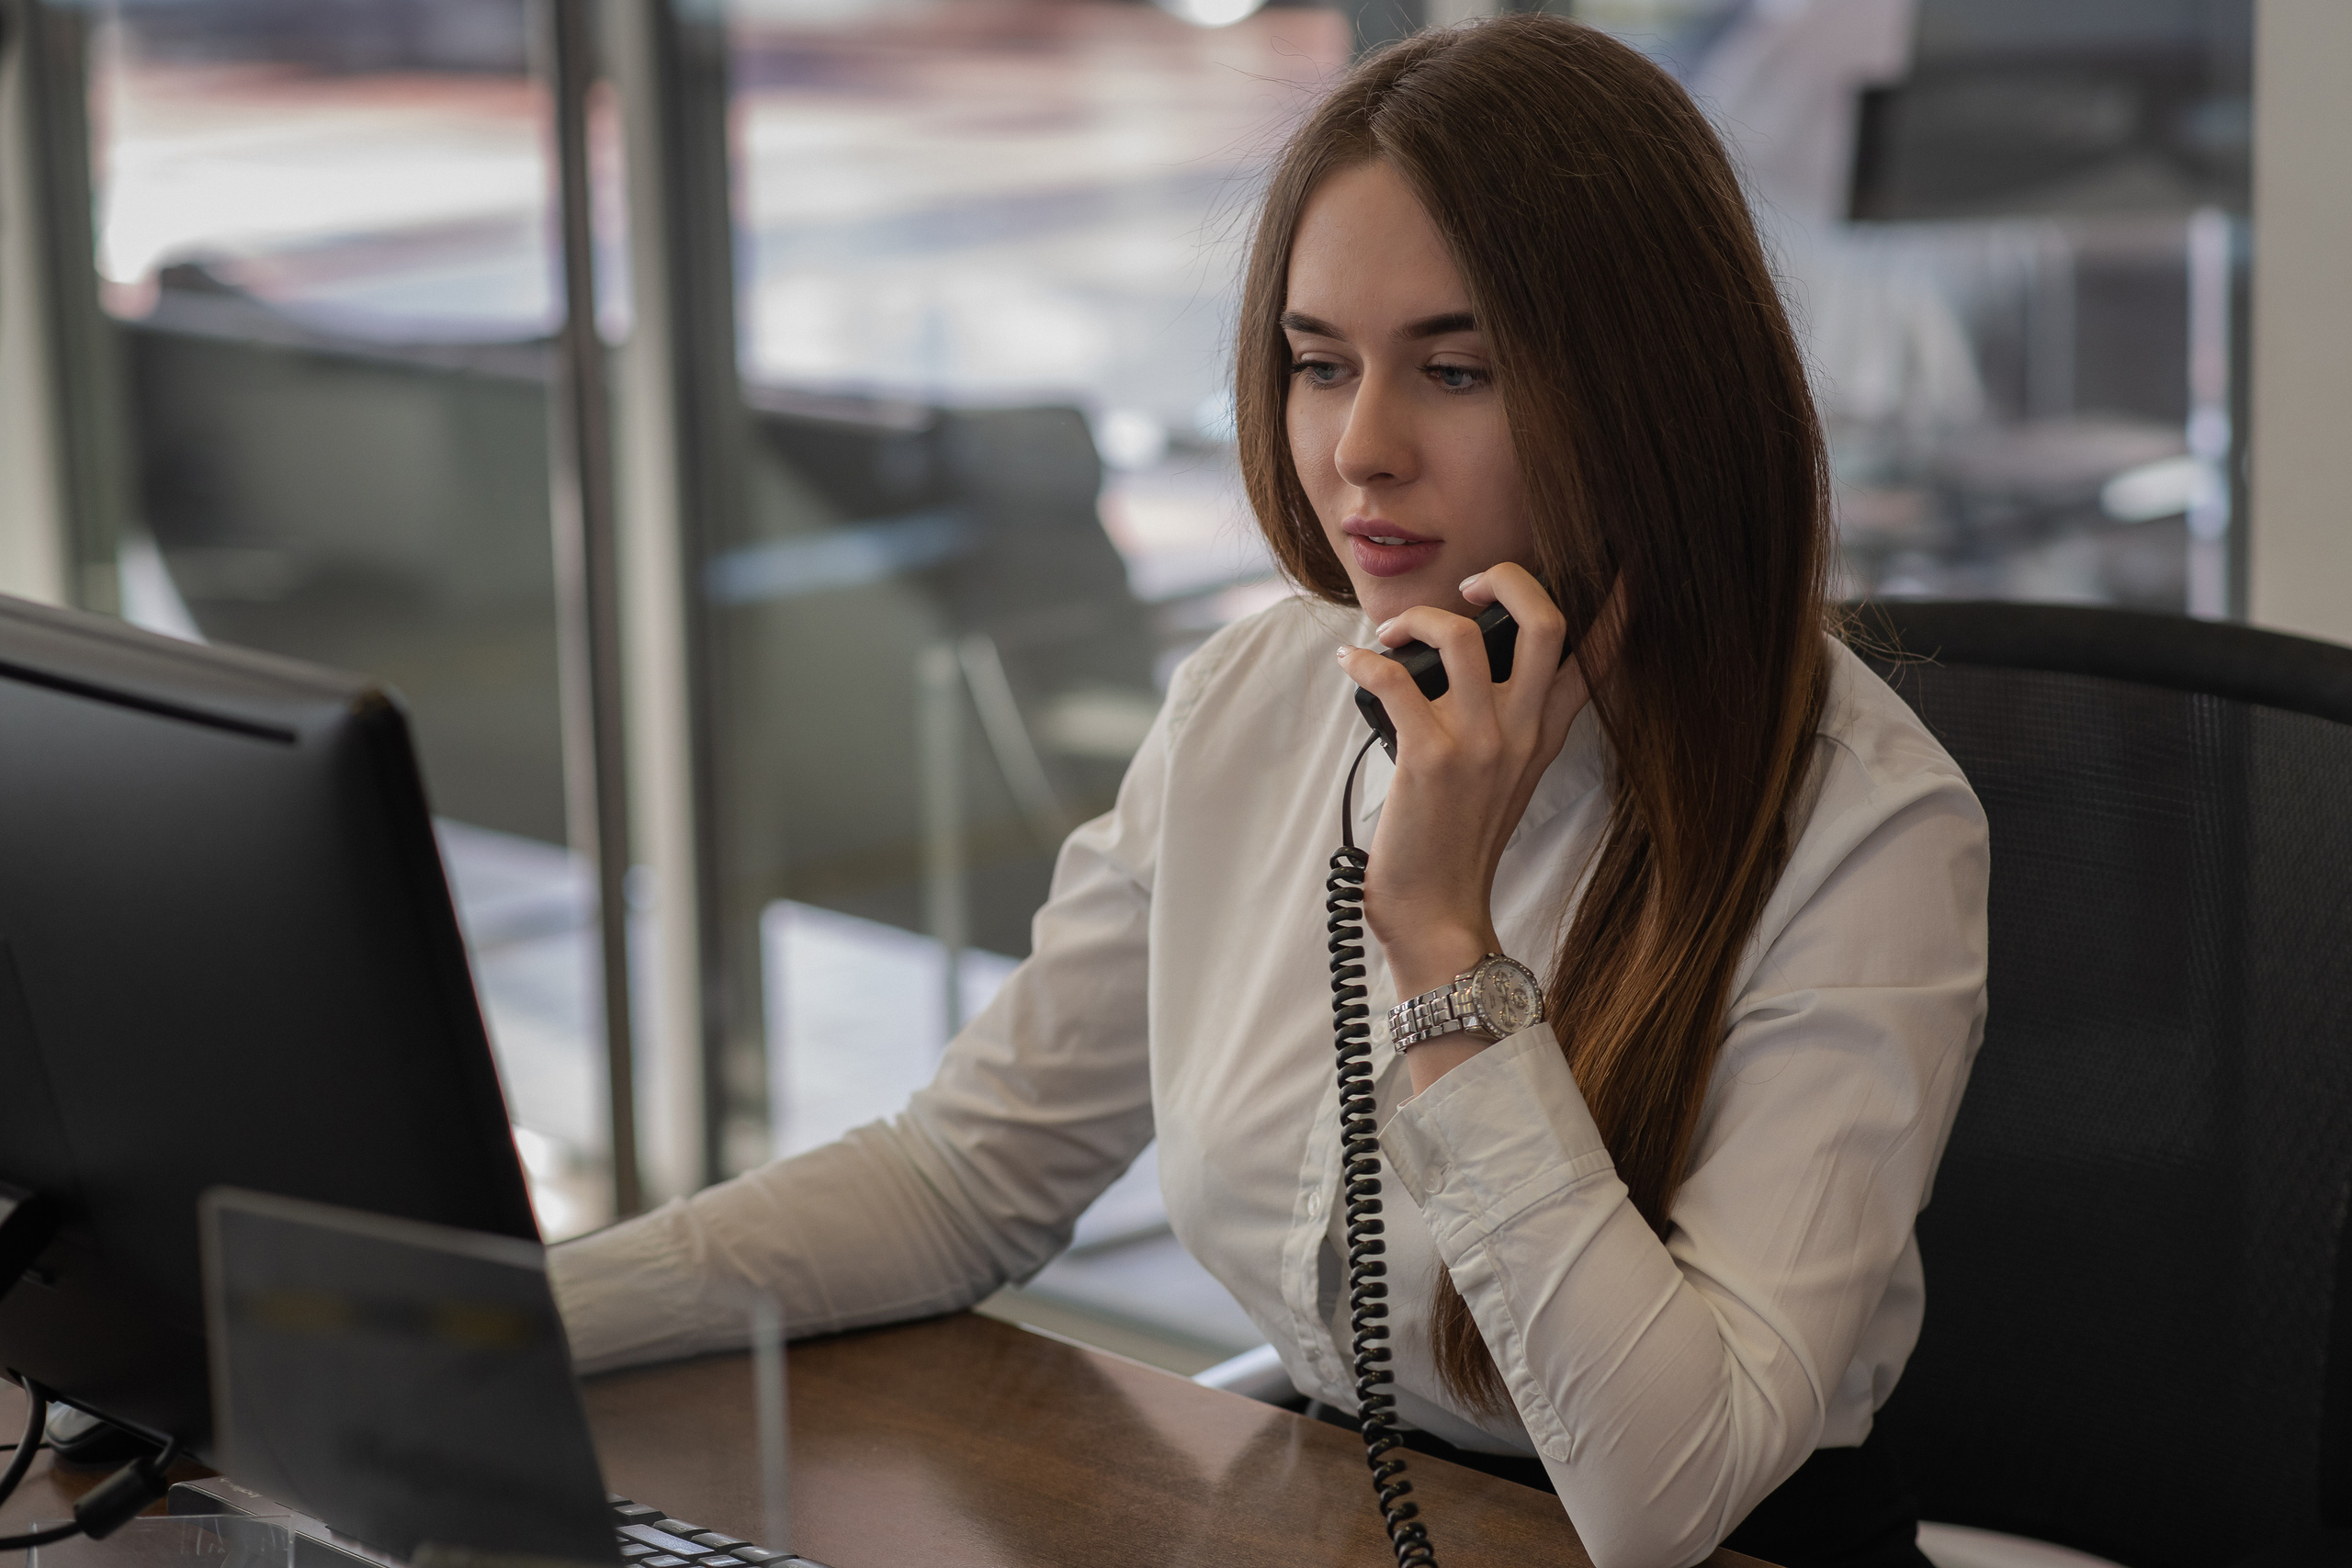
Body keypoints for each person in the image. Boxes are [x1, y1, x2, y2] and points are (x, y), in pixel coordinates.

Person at [550, 17, 1987, 1568]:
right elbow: (961, 1178)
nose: (1360, 449)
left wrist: (1441, 942)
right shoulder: (1263, 699)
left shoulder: (1866, 832)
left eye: (1455, 370)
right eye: (1319, 365)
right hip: (1328, 1514)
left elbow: (1661, 1500)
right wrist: (501, 1322)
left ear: (1653, 397)